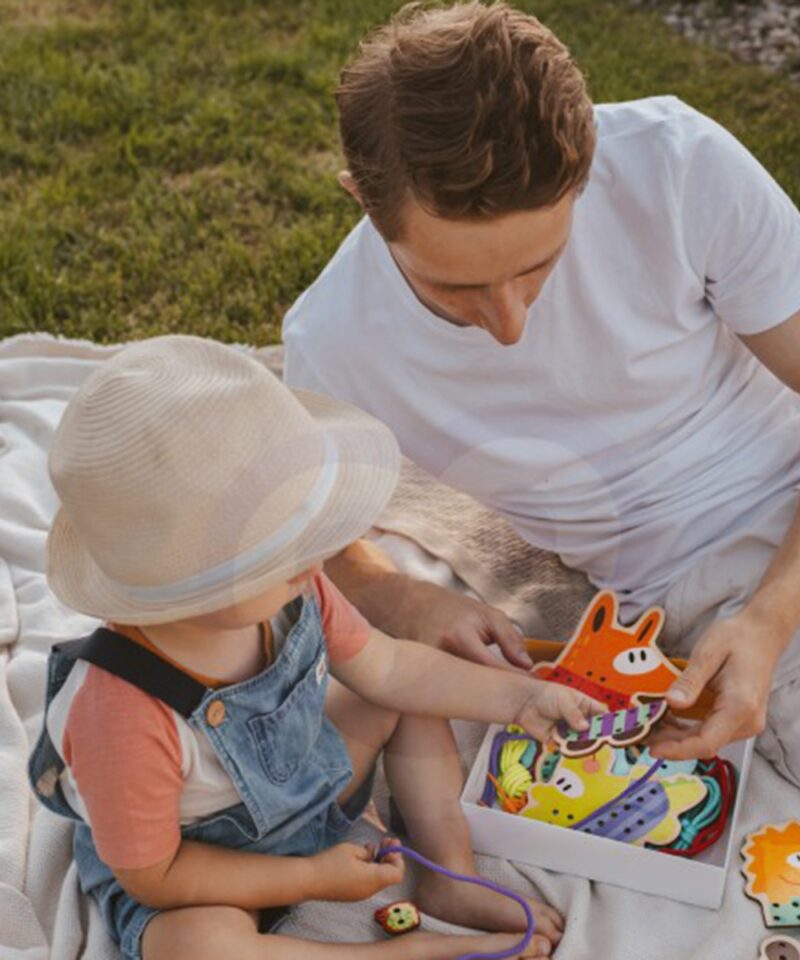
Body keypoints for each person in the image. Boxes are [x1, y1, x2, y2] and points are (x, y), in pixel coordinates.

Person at [282, 2, 800, 779]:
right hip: (696, 575)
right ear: (361, 197)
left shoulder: (676, 165)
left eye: (538, 267)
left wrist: (771, 618)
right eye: (456, 288)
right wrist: (410, 603)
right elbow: (315, 547)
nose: (510, 325)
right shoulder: (332, 347)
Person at [28, 335, 603, 960]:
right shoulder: (119, 714)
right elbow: (155, 876)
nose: (316, 557)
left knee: (407, 692)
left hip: (307, 791)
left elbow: (389, 669)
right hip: (201, 869)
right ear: (182, 587)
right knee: (198, 946)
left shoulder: (295, 589)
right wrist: (316, 878)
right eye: (282, 548)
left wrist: (520, 699)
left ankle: (445, 871)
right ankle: (394, 954)